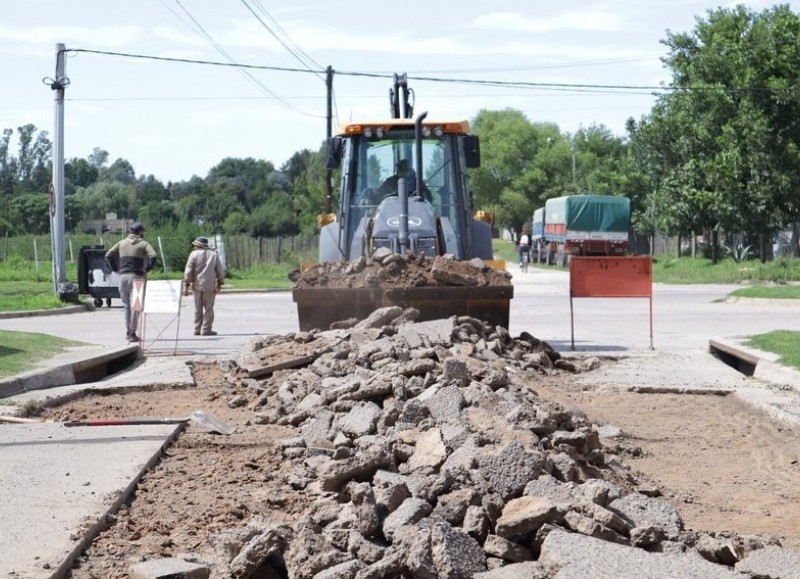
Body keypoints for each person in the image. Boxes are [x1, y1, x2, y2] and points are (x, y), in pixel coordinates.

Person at [105, 222, 158, 342]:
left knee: (126, 306)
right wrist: (147, 269)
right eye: (142, 231)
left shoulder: (121, 243)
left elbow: (108, 255)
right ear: (140, 232)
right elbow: (154, 256)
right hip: (137, 278)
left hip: (122, 278)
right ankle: (132, 332)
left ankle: (128, 330)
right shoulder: (143, 244)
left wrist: (114, 269)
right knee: (137, 306)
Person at [183, 236, 226, 336]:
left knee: (197, 308)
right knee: (208, 309)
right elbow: (220, 271)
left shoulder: (193, 255)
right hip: (209, 286)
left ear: (198, 245)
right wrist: (220, 282)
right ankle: (206, 329)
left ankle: (197, 329)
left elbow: (188, 271)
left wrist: (186, 285)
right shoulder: (213, 255)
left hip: (197, 286)